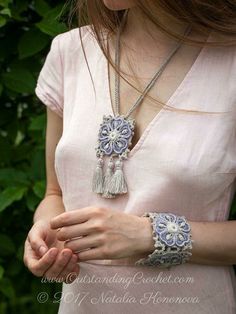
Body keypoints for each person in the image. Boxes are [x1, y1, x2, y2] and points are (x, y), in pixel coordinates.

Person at [23, 1, 236, 313]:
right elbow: (54, 194)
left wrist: (151, 235)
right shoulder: (71, 52)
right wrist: (46, 233)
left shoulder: (229, 62)